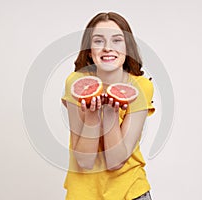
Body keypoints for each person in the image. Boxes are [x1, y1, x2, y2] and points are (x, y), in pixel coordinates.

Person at [61, 12, 155, 200]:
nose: (107, 48)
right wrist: (92, 115)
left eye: (117, 40)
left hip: (131, 193)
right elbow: (85, 161)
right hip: (84, 195)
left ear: (127, 48)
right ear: (89, 50)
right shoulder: (76, 83)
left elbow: (115, 161)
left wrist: (110, 111)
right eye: (98, 41)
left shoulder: (141, 87)